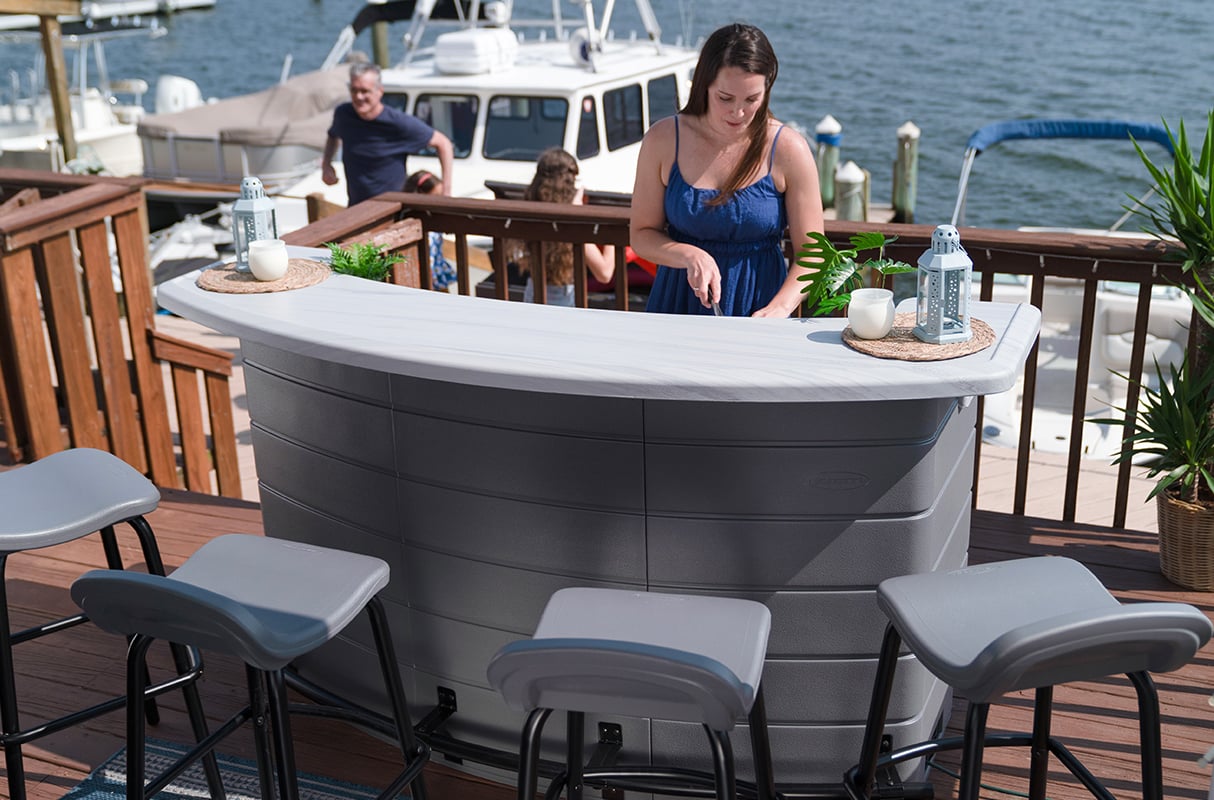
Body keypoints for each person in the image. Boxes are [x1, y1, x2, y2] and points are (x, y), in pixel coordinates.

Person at [630, 23, 823, 317]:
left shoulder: (789, 149)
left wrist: (781, 307)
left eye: (751, 99)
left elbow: (814, 255)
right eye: (725, 98)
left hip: (760, 307)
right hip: (676, 306)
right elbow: (642, 234)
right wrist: (688, 254)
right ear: (704, 84)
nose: (738, 112)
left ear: (767, 88)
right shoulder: (662, 140)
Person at [322, 62, 454, 206]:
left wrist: (446, 193)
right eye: (354, 90)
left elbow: (443, 143)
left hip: (390, 211)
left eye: (365, 91)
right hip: (356, 207)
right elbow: (333, 135)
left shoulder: (398, 123)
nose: (359, 97)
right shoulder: (344, 114)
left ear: (380, 91)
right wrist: (327, 164)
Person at [513, 147, 616, 306]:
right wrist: (610, 232)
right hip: (563, 305)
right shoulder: (571, 225)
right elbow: (604, 273)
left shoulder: (531, 213)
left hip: (531, 297)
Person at [404, 170, 458, 291]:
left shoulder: (435, 218)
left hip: (437, 269)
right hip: (425, 272)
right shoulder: (413, 221)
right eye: (436, 198)